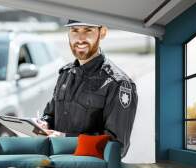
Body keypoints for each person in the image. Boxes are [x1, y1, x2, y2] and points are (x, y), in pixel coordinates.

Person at [37, 20, 138, 157]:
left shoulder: (118, 84)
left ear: (102, 33)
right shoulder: (65, 74)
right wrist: (43, 123)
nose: (80, 38)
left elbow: (116, 146)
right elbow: (50, 114)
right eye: (75, 30)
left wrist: (65, 139)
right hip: (56, 167)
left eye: (88, 30)